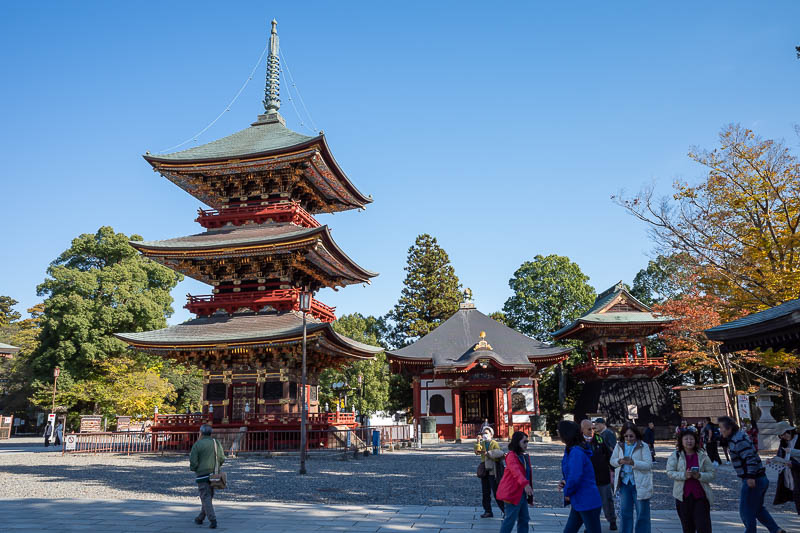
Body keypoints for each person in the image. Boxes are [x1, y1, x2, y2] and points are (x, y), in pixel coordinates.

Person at [718, 416, 787, 533]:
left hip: (754, 479)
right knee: (757, 509)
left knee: (746, 510)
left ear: (729, 428)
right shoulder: (736, 437)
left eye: (721, 428)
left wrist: (750, 476)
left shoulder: (738, 440)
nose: (720, 430)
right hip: (760, 478)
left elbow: (750, 459)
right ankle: (776, 530)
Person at [666, 429, 715, 533]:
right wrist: (684, 475)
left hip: (700, 496)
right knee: (688, 527)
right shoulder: (676, 455)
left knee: (704, 527)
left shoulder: (702, 455)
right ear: (681, 441)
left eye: (691, 438)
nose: (689, 441)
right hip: (683, 496)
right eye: (686, 439)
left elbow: (712, 474)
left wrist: (700, 475)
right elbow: (670, 472)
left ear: (695, 440)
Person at [559, 420, 603, 533]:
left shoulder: (576, 452)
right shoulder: (572, 450)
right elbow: (574, 474)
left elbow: (575, 477)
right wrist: (565, 481)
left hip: (586, 500)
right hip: (580, 500)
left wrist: (567, 492)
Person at [611, 422, 653, 533]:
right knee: (625, 513)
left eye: (631, 436)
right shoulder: (619, 446)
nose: (628, 438)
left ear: (636, 435)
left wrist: (634, 462)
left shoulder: (643, 446)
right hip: (625, 483)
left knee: (642, 514)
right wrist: (619, 461)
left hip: (640, 483)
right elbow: (612, 461)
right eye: (626, 436)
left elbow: (648, 465)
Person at [581, 419, 616, 530]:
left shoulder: (599, 439)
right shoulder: (579, 442)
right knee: (589, 503)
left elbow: (609, 455)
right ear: (582, 430)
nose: (592, 431)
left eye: (593, 428)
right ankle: (589, 525)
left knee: (607, 500)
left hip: (602, 476)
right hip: (587, 479)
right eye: (589, 429)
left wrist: (613, 470)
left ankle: (612, 520)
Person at [496, 431, 533, 533]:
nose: (526, 444)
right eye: (524, 442)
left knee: (524, 519)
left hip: (521, 492)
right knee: (510, 520)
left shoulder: (523, 456)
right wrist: (525, 484)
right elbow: (515, 471)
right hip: (512, 492)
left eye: (527, 441)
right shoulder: (511, 456)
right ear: (517, 442)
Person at [189, 424, 225, 529]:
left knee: (205, 496)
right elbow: (222, 458)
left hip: (202, 474)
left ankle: (212, 519)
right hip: (214, 473)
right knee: (208, 496)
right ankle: (200, 517)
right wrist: (216, 466)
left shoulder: (197, 444)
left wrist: (195, 468)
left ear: (201, 432)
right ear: (211, 433)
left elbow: (193, 462)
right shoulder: (216, 443)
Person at [474, 426, 505, 518]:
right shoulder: (482, 443)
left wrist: (489, 453)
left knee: (496, 491)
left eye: (486, 433)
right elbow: (477, 452)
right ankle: (487, 511)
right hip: (484, 469)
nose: (484, 435)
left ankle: (505, 510)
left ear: (491, 435)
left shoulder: (494, 443)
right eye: (483, 433)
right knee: (485, 492)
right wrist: (478, 441)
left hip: (493, 469)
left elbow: (498, 453)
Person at [770, 421, 800, 514]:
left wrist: (792, 451)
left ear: (789, 431)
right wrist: (773, 460)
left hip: (797, 469)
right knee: (796, 494)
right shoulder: (783, 442)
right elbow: (781, 456)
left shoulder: (799, 438)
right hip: (791, 472)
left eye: (783, 434)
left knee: (798, 493)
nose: (782, 437)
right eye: (780, 435)